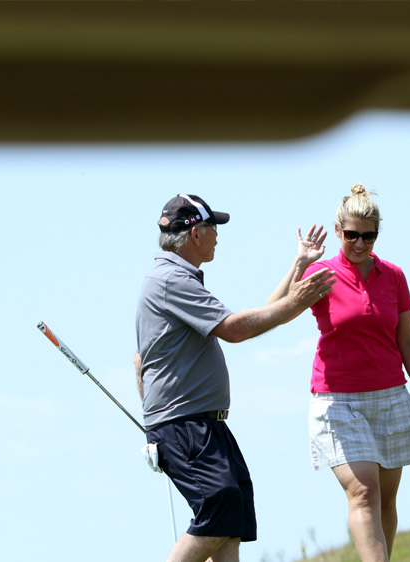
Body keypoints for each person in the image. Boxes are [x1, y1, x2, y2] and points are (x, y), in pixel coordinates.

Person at [135, 194, 335, 562]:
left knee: (231, 520)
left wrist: (299, 267)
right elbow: (235, 329)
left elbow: (262, 315)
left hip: (200, 423)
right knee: (219, 512)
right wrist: (298, 301)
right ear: (195, 233)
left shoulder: (176, 278)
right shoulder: (171, 280)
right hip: (185, 424)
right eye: (213, 227)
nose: (217, 235)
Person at [268, 185, 410, 562]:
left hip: (391, 399)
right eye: (351, 235)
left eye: (368, 236)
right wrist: (299, 263)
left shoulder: (393, 276)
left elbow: (409, 342)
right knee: (364, 493)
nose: (360, 244)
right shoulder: (321, 273)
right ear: (338, 231)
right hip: (338, 402)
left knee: (385, 501)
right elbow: (271, 313)